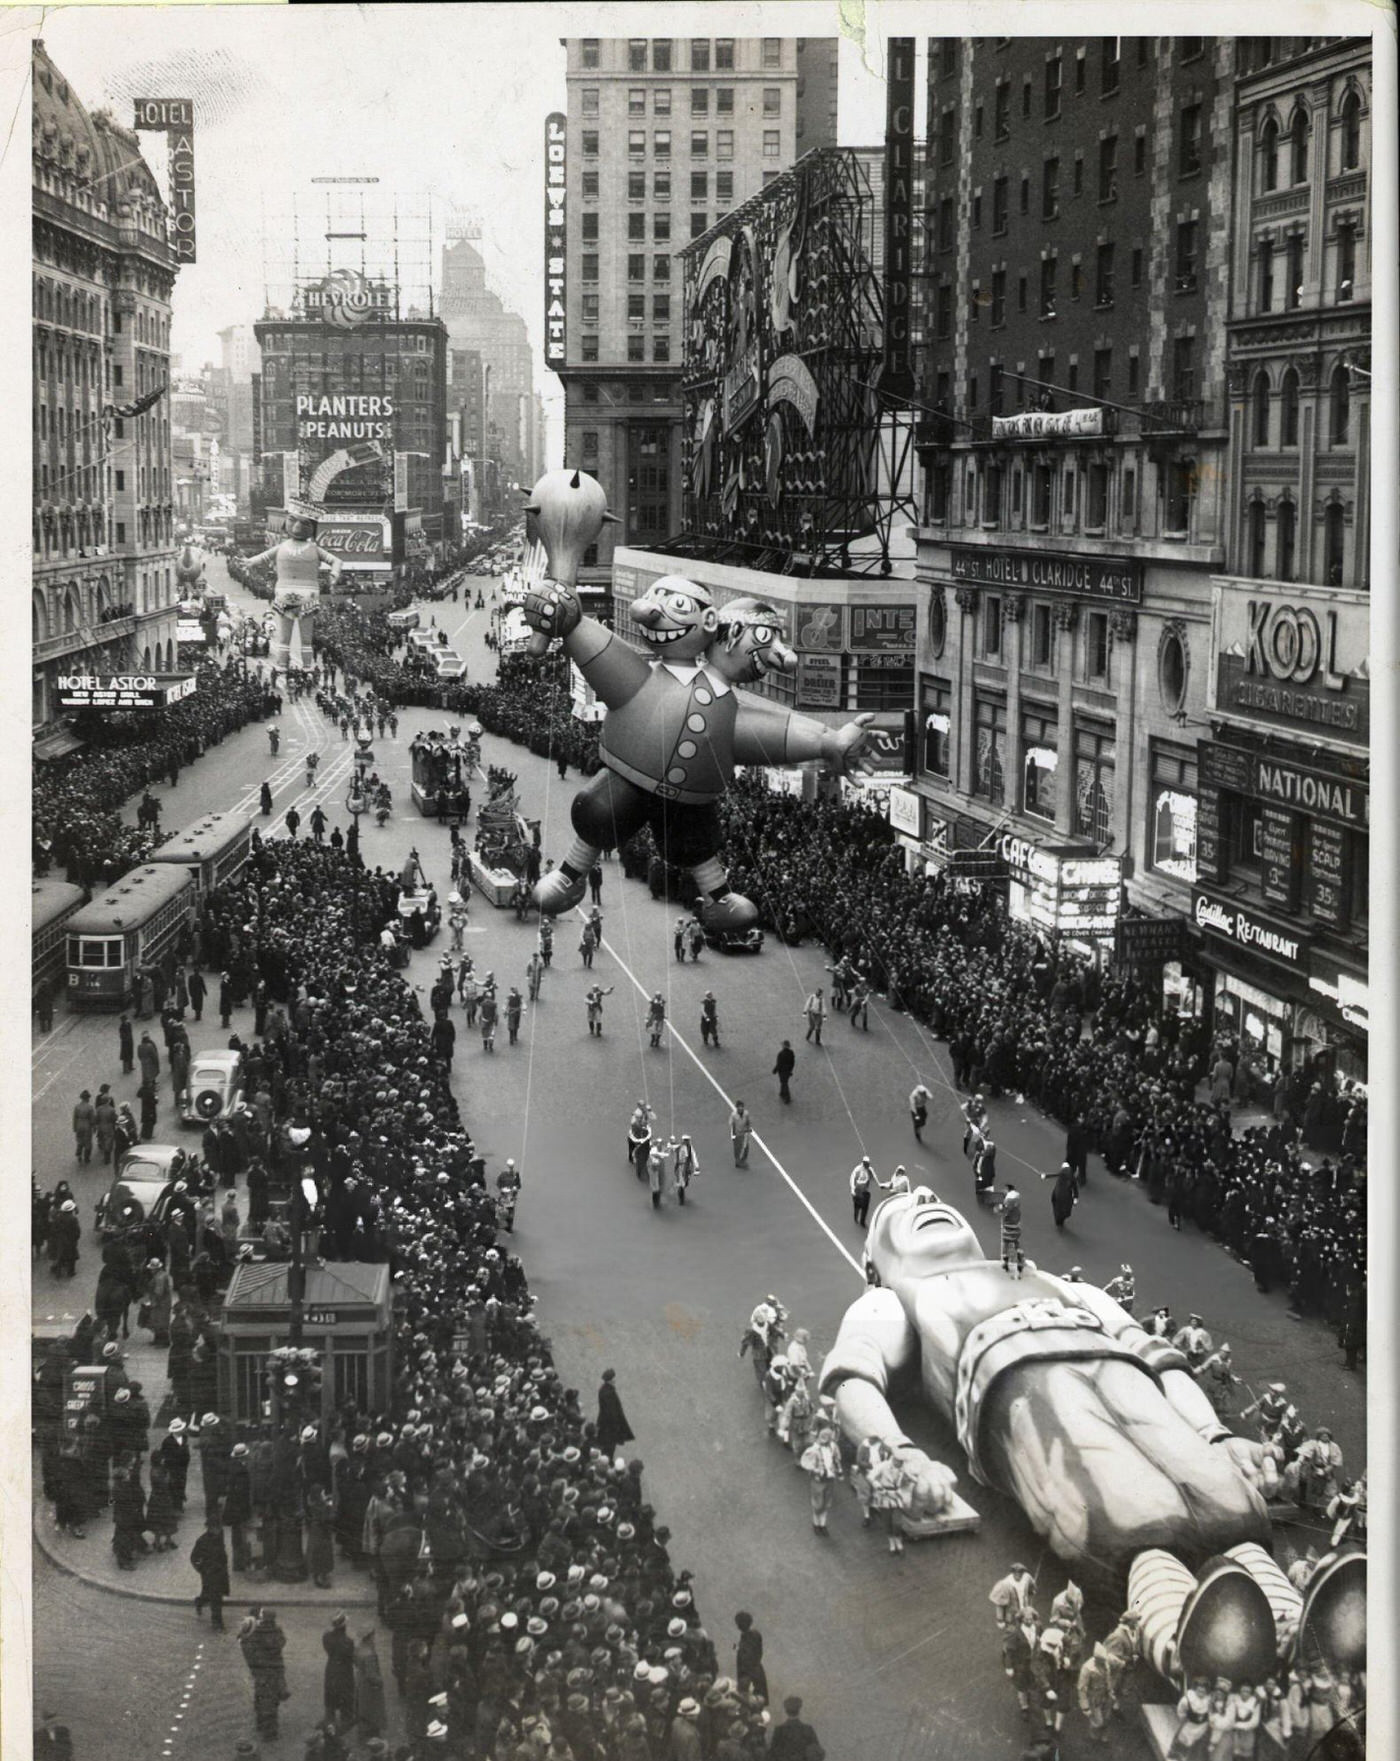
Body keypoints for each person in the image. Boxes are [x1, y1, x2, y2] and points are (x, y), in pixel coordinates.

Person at [821, 1190, 1276, 1571]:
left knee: (1228, 1498)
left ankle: (1271, 1590)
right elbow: (852, 1379)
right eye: (898, 1210)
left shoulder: (1063, 1285)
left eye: (930, 1196)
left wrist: (1213, 1435)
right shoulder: (893, 1299)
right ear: (873, 1270)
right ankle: (1165, 1603)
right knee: (1128, 1514)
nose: (922, 1196)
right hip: (1024, 1390)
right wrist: (901, 1456)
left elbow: (1156, 1359)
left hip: (1120, 1373)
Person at [239, 1607, 289, 1741]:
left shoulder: (256, 1633)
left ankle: (262, 1724)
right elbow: (282, 1642)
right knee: (272, 1701)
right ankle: (270, 1731)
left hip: (260, 1673)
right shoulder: (277, 1632)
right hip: (275, 1671)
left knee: (262, 1697)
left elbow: (247, 1640)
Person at [799, 1421, 844, 1535]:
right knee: (818, 1504)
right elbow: (805, 1463)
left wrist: (839, 1471)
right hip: (818, 1481)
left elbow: (837, 1459)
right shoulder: (813, 1450)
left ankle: (823, 1524)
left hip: (830, 1479)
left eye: (827, 1437)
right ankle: (816, 1524)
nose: (825, 1439)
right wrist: (815, 1470)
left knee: (826, 1503)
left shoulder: (833, 1447)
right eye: (822, 1437)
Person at [191, 1518, 230, 1630]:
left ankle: (199, 1601)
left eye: (219, 1527)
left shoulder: (219, 1537)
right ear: (210, 1528)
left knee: (210, 1595)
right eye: (216, 1527)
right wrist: (202, 1569)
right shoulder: (202, 1541)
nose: (219, 1529)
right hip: (210, 1574)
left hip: (220, 1572)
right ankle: (217, 1623)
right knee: (216, 1598)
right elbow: (194, 1558)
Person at [323, 1614, 357, 1732]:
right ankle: (346, 1720)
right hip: (344, 1671)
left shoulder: (326, 1637)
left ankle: (329, 1719)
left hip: (331, 1668)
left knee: (330, 1694)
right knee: (346, 1695)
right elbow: (351, 1657)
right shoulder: (348, 1642)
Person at [767, 1696, 825, 1761]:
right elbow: (817, 1752)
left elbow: (772, 1754)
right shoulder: (808, 1729)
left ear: (786, 1711)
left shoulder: (779, 1730)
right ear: (799, 1710)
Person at [595, 1368, 635, 1461]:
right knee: (610, 1446)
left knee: (607, 1444)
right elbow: (612, 1412)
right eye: (614, 1378)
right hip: (609, 1427)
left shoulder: (603, 1389)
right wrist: (617, 1428)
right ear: (611, 1380)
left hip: (605, 1424)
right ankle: (608, 1460)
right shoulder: (609, 1393)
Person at [734, 1611, 768, 1703]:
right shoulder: (753, 1634)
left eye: (738, 1624)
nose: (737, 1626)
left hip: (749, 1675)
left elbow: (747, 1656)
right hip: (755, 1672)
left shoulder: (748, 1636)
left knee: (750, 1701)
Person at [995, 1182, 1025, 1277]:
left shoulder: (1009, 1200)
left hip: (1008, 1227)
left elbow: (1004, 1211)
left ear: (1008, 1189)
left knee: (1006, 1244)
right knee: (1016, 1243)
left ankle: (1005, 1263)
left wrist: (998, 1208)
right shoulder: (1017, 1199)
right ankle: (1020, 1260)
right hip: (1017, 1226)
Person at [1043, 1163, 1077, 1231]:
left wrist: (1045, 1176)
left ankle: (1059, 1219)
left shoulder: (1062, 1173)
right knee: (1064, 1208)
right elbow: (1075, 1188)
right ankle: (1061, 1219)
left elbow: (1055, 1175)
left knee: (1057, 1205)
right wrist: (1076, 1197)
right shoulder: (1071, 1177)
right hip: (1067, 1196)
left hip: (1059, 1193)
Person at [850, 1156, 876, 1229]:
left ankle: (862, 1221)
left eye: (868, 1164)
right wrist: (852, 1189)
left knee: (865, 1206)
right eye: (866, 1164)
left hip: (865, 1191)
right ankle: (856, 1216)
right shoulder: (857, 1170)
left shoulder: (869, 1170)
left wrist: (871, 1173)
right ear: (863, 1163)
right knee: (857, 1205)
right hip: (858, 1190)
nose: (868, 1165)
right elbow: (852, 1179)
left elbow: (873, 1178)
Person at [673, 1134, 698, 1205]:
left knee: (686, 1182)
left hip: (687, 1167)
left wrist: (696, 1166)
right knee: (681, 1183)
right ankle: (681, 1197)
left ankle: (681, 1190)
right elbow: (673, 1150)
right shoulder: (679, 1147)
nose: (686, 1142)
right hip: (680, 1166)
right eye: (685, 1140)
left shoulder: (690, 1148)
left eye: (687, 1140)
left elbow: (693, 1156)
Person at [72, 1090, 95, 1164]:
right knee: (88, 1142)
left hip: (79, 1125)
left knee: (80, 1141)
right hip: (87, 1126)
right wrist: (94, 1127)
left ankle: (79, 1154)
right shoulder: (90, 1107)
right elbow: (92, 1119)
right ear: (87, 1098)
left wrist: (75, 1127)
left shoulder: (77, 1107)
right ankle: (86, 1158)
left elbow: (74, 1118)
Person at [729, 1100, 752, 1167]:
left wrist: (748, 1128)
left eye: (742, 1107)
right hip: (737, 1133)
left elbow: (748, 1121)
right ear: (737, 1107)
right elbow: (732, 1124)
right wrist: (733, 1135)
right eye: (739, 1107)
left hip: (744, 1133)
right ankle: (737, 1161)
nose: (741, 1108)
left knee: (746, 1147)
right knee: (737, 1148)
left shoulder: (746, 1113)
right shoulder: (733, 1115)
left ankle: (743, 1160)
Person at [773, 1040, 796, 1105]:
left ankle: (787, 1097)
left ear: (784, 1046)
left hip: (782, 1071)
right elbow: (793, 1063)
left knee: (784, 1083)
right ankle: (782, 1092)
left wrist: (775, 1070)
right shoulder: (791, 1052)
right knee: (784, 1082)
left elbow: (779, 1064)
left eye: (782, 1045)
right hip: (788, 1071)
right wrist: (790, 1070)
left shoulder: (780, 1054)